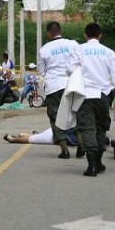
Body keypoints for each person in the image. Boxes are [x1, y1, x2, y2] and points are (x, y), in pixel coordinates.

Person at [67, 23, 115, 177]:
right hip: (103, 95)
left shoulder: (78, 49)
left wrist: (82, 74)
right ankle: (98, 162)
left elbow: (69, 69)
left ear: (85, 35)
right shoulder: (108, 52)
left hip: (84, 95)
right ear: (100, 35)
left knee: (87, 129)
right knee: (101, 128)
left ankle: (91, 166)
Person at [38, 21, 83, 159]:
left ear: (48, 33)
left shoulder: (44, 49)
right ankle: (81, 143)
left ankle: (64, 150)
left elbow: (42, 71)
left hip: (53, 87)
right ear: (60, 30)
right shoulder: (73, 44)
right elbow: (81, 62)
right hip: (72, 84)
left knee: (56, 118)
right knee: (75, 114)